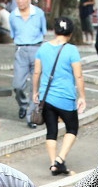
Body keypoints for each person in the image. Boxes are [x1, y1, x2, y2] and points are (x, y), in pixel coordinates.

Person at [32, 18, 86, 176]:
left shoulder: (43, 48)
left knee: (51, 130)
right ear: (70, 33)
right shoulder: (72, 50)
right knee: (72, 128)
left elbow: (36, 72)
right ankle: (60, 159)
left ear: (55, 31)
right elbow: (79, 76)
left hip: (46, 97)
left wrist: (35, 92)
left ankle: (53, 163)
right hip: (65, 97)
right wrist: (82, 96)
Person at [10, 0, 47, 127]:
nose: (19, 1)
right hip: (21, 50)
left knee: (35, 85)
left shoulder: (39, 13)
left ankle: (31, 116)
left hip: (37, 49)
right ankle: (23, 105)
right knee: (18, 85)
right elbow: (13, 34)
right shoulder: (13, 15)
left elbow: (43, 32)